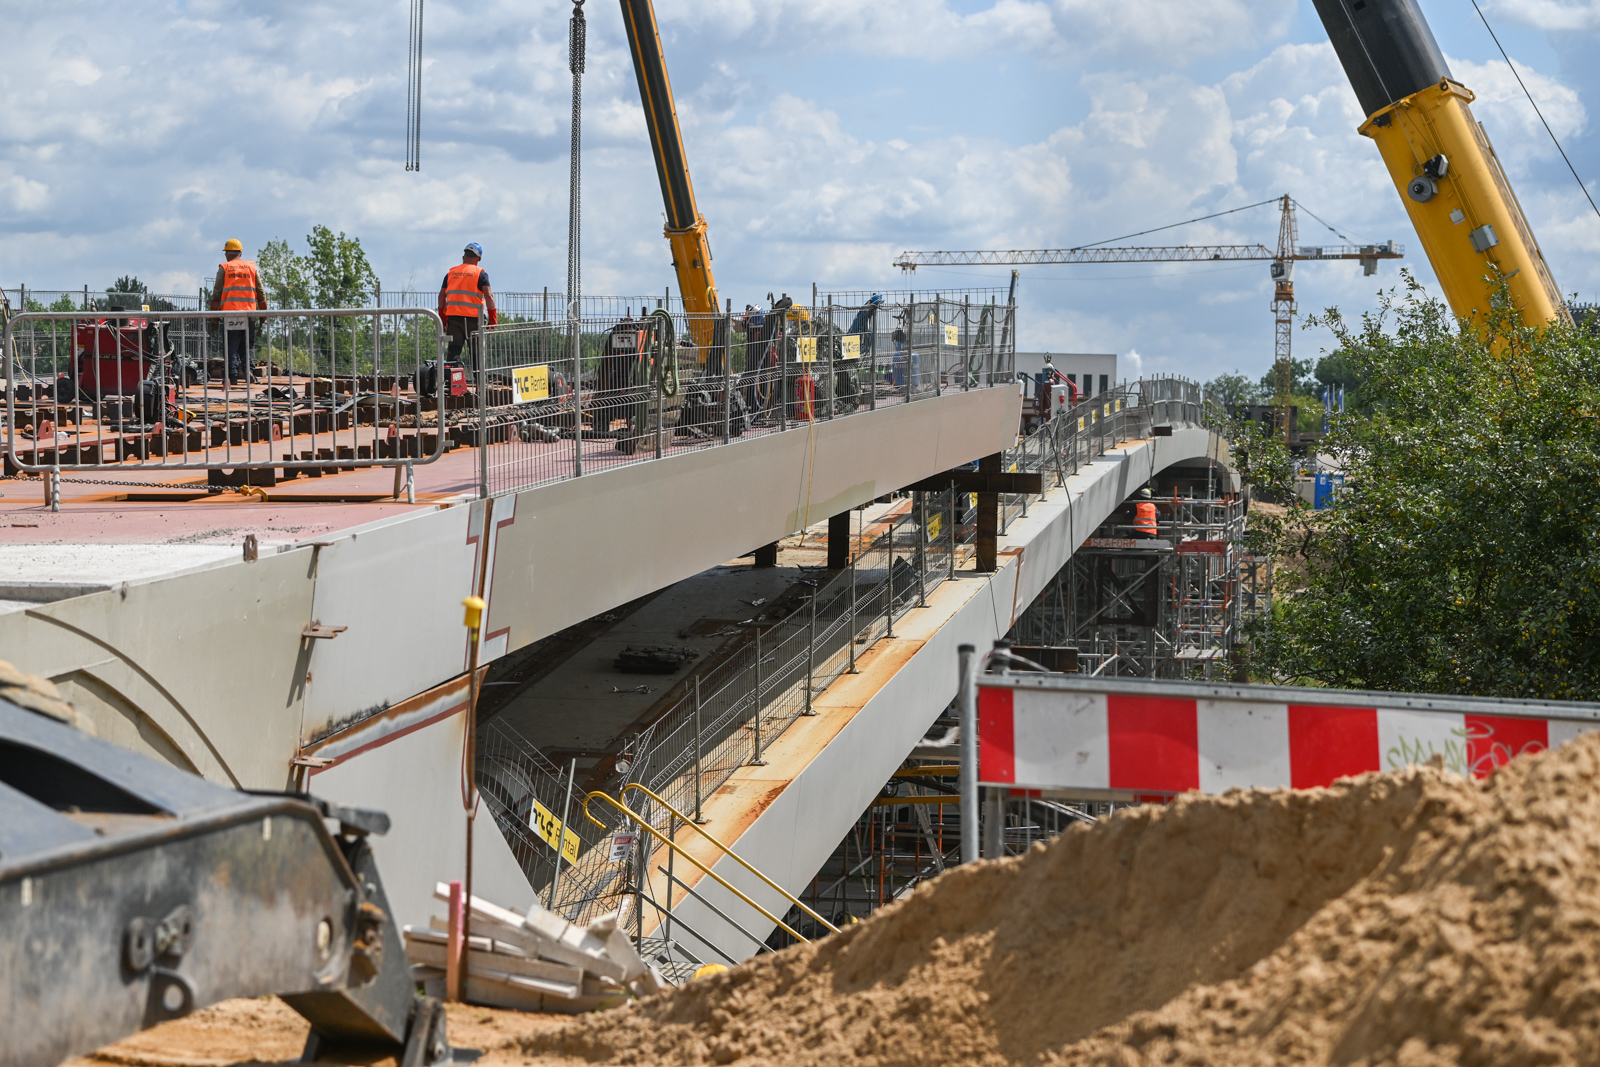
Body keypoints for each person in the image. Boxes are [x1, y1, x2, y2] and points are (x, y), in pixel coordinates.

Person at [208, 239, 267, 384]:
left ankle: (232, 377)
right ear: (240, 253)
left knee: (231, 346)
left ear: (227, 254)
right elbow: (261, 292)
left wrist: (213, 316)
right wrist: (263, 314)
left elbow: (216, 293)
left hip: (230, 314)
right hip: (250, 314)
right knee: (248, 345)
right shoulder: (251, 268)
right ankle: (249, 372)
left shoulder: (225, 268)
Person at [436, 242, 497, 368]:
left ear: (464, 257)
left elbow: (441, 296)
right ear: (477, 259)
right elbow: (489, 296)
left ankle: (451, 383)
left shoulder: (451, 273)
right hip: (474, 321)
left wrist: (442, 317)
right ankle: (479, 384)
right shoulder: (480, 274)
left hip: (454, 320)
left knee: (453, 352)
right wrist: (492, 319)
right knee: (477, 353)